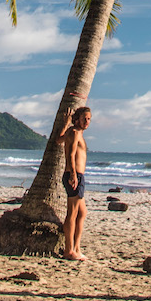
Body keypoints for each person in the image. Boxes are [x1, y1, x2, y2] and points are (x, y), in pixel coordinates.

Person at [58, 104, 91, 260]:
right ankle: (69, 250)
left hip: (77, 175)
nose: (87, 122)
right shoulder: (75, 132)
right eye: (84, 118)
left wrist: (64, 125)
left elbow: (59, 140)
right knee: (72, 213)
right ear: (76, 120)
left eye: (89, 119)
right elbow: (70, 154)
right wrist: (73, 175)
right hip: (74, 175)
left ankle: (76, 248)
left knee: (82, 212)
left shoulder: (73, 132)